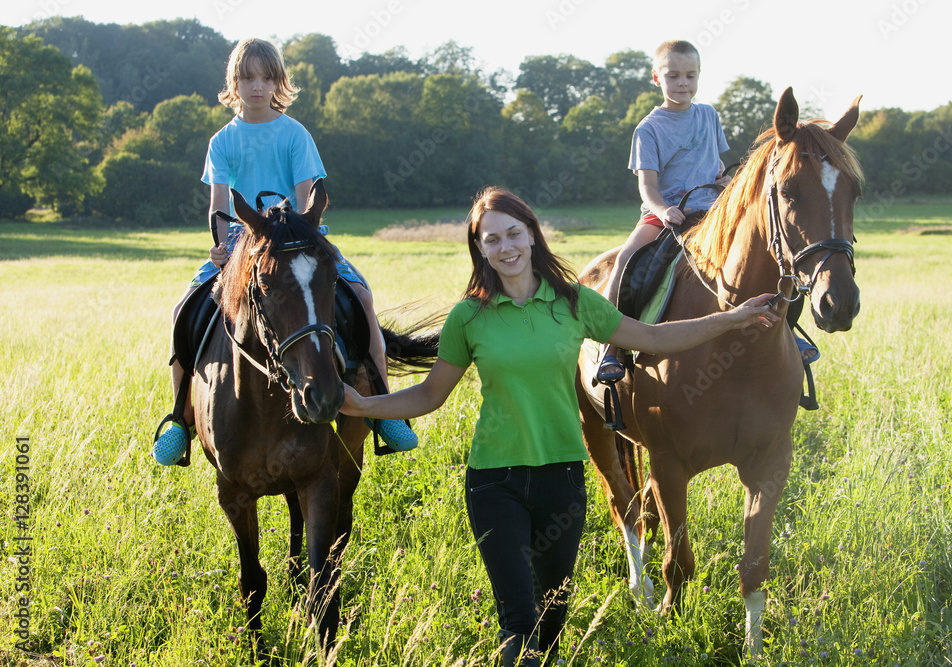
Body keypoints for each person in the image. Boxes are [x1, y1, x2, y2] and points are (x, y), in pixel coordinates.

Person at [338, 186, 777, 666]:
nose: (505, 248)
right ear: (479, 249)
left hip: (562, 483)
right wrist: (361, 406)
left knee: (550, 624)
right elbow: (428, 394)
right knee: (518, 623)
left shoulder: (574, 304)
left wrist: (731, 319)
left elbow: (652, 337)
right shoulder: (470, 317)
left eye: (513, 234)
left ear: (531, 235)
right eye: (491, 240)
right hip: (494, 483)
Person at [152, 38, 416, 466]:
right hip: (243, 242)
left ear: (278, 82)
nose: (256, 86)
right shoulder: (222, 141)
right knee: (184, 308)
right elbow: (220, 204)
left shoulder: (295, 134)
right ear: (233, 82)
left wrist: (288, 234)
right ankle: (181, 420)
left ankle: (383, 410)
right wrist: (220, 247)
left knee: (361, 296)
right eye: (247, 77)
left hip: (297, 238)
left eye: (265, 77)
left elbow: (304, 199)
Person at [596, 39, 818, 384]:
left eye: (690, 75)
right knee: (626, 259)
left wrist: (728, 182)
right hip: (667, 214)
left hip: (715, 210)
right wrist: (663, 209)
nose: (682, 83)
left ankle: (788, 329)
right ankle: (613, 345)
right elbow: (647, 187)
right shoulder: (648, 129)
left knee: (770, 251)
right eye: (673, 76)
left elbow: (713, 165)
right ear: (657, 78)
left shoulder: (708, 115)